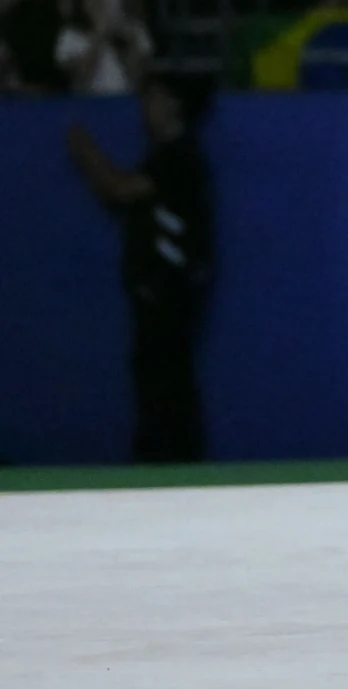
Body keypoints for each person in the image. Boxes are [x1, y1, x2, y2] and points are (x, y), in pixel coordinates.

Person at [66, 74, 214, 462]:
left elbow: (118, 188)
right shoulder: (165, 157)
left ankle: (172, 464)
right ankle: (162, 461)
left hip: (171, 294)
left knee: (166, 381)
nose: (144, 108)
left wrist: (85, 150)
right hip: (157, 293)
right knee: (158, 382)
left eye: (154, 99)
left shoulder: (177, 158)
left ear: (173, 107)